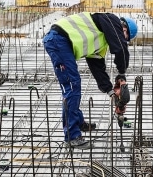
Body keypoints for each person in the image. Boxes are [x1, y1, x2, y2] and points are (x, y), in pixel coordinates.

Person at [42, 12, 138, 148]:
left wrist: (111, 92)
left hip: (61, 42)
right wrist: (121, 75)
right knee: (72, 85)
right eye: (126, 36)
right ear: (123, 28)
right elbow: (121, 47)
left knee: (74, 84)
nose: (124, 39)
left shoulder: (100, 41)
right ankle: (71, 136)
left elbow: (97, 69)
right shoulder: (111, 19)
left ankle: (78, 122)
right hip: (59, 39)